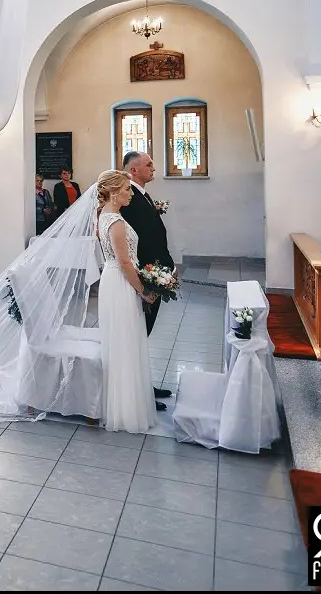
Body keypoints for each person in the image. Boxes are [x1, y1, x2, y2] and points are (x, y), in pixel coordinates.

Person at [95, 169, 158, 433]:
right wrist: (143, 290)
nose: (130, 193)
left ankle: (120, 405)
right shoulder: (116, 222)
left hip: (112, 281)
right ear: (113, 192)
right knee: (126, 341)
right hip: (120, 283)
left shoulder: (104, 215)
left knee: (120, 342)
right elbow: (124, 262)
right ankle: (126, 411)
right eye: (127, 189)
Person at [120, 150, 175, 403]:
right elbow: (140, 243)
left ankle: (142, 385)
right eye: (149, 164)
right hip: (146, 277)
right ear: (134, 170)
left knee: (142, 335)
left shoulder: (141, 194)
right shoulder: (130, 199)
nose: (153, 167)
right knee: (138, 335)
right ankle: (137, 390)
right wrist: (154, 276)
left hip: (155, 273)